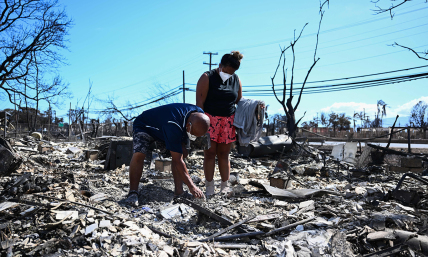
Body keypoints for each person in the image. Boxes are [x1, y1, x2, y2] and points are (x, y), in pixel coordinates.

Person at [124, 103, 210, 206]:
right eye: (193, 134)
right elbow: (177, 160)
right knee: (139, 154)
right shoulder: (173, 125)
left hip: (167, 126)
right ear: (189, 126)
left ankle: (179, 192)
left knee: (183, 152)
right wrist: (192, 187)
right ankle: (133, 192)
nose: (194, 137)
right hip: (145, 126)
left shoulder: (199, 113)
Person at [196, 51, 243, 195]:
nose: (228, 74)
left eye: (232, 72)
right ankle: (209, 187)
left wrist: (257, 105)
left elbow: (240, 102)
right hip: (209, 120)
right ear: (220, 65)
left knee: (224, 154)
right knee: (209, 154)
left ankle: (225, 186)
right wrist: (201, 124)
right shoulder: (207, 77)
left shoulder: (236, 79)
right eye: (227, 71)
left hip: (228, 121)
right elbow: (200, 102)